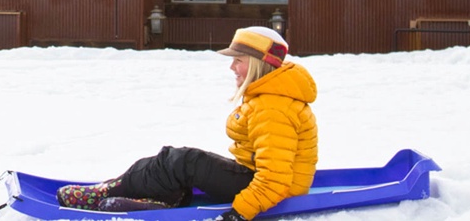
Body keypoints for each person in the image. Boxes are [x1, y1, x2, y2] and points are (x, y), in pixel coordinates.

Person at [56, 26, 317, 220]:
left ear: (259, 64)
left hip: (266, 189)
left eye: (238, 60)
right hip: (251, 176)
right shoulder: (268, 97)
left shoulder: (273, 107)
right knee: (171, 159)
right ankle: (141, 192)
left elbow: (275, 179)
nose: (232, 68)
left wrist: (239, 213)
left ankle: (107, 193)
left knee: (183, 160)